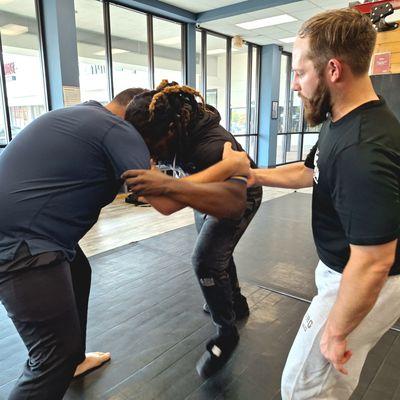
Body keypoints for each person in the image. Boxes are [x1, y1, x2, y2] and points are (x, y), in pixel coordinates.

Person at [0, 89, 250, 400]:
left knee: (79, 270)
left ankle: (75, 361)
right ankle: (67, 360)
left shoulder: (84, 114)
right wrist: (229, 169)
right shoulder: (120, 130)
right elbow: (164, 201)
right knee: (52, 358)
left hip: (29, 231)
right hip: (21, 244)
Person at [249, 8, 400, 399]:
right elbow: (308, 171)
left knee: (301, 388)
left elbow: (374, 261)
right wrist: (255, 175)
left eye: (300, 73)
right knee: (336, 380)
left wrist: (333, 332)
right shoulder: (341, 120)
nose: (295, 85)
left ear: (333, 70)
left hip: (361, 279)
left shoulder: (360, 148)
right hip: (344, 269)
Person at [122, 81, 263, 379]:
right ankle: (235, 301)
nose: (150, 151)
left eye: (151, 143)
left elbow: (232, 204)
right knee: (216, 250)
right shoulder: (174, 132)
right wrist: (155, 185)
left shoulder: (211, 145)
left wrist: (163, 185)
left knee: (206, 259)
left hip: (240, 195)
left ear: (171, 129)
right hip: (206, 191)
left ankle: (226, 332)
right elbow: (168, 205)